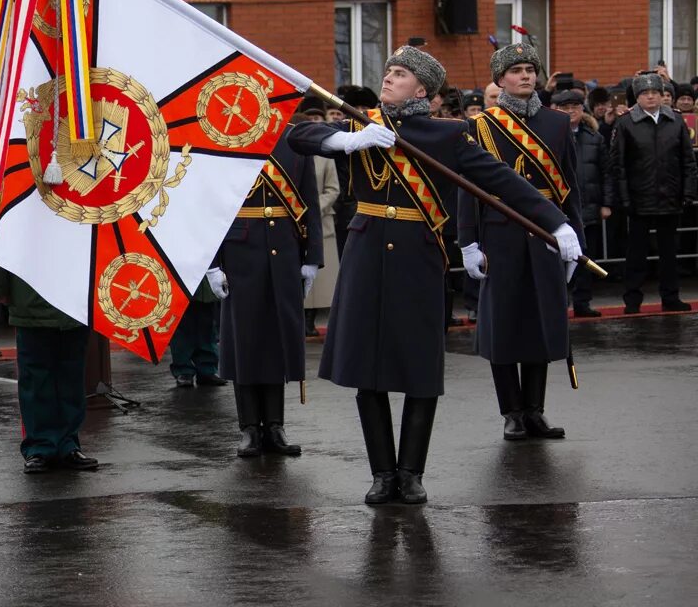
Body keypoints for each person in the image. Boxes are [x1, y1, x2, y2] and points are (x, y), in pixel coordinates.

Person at [290, 45, 578, 505]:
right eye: (388, 71)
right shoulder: (361, 125)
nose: (388, 78)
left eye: (400, 73)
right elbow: (296, 137)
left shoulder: (447, 135)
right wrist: (342, 142)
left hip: (418, 258)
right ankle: (382, 474)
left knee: (420, 369)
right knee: (368, 371)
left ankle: (411, 473)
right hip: (365, 257)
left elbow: (502, 180)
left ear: (421, 89)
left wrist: (556, 223)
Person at [459, 44, 585, 442]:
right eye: (516, 70)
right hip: (500, 233)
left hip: (547, 234)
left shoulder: (557, 124)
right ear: (500, 80)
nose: (526, 76)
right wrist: (468, 242)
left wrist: (574, 237)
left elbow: (570, 188)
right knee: (503, 326)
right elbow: (468, 189)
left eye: (531, 69)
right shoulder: (480, 126)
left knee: (541, 323)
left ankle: (535, 410)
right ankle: (511, 412)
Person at [217, 126, 321, 457]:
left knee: (277, 338)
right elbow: (210, 206)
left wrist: (312, 257)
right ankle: (249, 427)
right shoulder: (222, 135)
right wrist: (212, 263)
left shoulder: (294, 137)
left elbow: (309, 200)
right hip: (239, 250)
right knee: (244, 340)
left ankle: (275, 426)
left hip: (284, 247)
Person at [0, 250, 97, 474]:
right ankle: (40, 445)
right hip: (31, 291)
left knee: (71, 374)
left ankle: (67, 443)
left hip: (73, 292)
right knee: (36, 376)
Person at [606, 73, 697, 313]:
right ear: (638, 97)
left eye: (655, 93)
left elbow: (688, 161)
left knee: (669, 253)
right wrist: (624, 198)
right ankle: (632, 300)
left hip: (670, 196)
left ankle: (671, 297)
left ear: (662, 96)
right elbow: (619, 165)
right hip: (639, 198)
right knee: (636, 254)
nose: (651, 97)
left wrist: (687, 192)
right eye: (646, 94)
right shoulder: (626, 123)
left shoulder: (676, 121)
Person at [551, 89, 611, 317]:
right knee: (559, 259)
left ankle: (582, 302)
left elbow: (606, 173)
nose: (570, 112)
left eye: (575, 107)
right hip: (559, 209)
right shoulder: (548, 137)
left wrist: (606, 203)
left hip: (588, 205)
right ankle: (559, 303)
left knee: (586, 256)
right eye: (565, 108)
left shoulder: (594, 137)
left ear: (582, 109)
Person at [301, 115, 340, 337]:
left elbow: (333, 189)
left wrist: (315, 209)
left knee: (322, 279)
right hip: (295, 218)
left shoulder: (324, 156)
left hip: (322, 219)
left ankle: (311, 319)